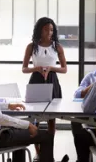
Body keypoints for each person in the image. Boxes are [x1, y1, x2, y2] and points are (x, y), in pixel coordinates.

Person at [22, 17, 67, 161]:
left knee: (51, 119)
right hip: (36, 81)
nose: (49, 32)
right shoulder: (32, 46)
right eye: (46, 29)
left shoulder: (57, 47)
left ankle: (49, 154)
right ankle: (39, 153)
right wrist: (37, 68)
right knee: (35, 118)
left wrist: (51, 68)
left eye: (52, 29)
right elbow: (24, 69)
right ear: (39, 30)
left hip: (52, 81)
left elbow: (64, 69)